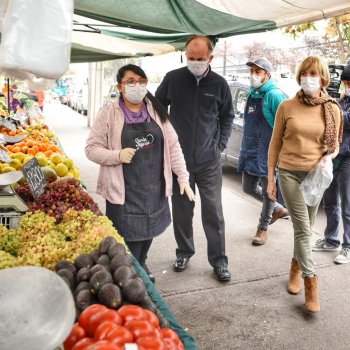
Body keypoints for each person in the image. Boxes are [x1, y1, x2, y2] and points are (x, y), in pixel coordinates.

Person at [86, 64, 195, 284]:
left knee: (148, 234)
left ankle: (142, 262)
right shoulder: (108, 113)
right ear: (120, 86)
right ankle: (131, 274)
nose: (137, 85)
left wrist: (183, 177)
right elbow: (91, 149)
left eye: (141, 81)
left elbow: (173, 147)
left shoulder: (157, 111)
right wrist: (116, 155)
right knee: (129, 241)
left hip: (154, 188)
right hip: (123, 191)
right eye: (130, 81)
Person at [155, 35, 235, 282]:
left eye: (200, 59)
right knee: (182, 210)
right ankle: (184, 252)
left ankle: (219, 261)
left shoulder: (219, 84)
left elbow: (227, 117)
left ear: (210, 57)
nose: (195, 62)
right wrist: (166, 142)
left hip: (209, 161)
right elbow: (157, 109)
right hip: (180, 161)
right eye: (191, 58)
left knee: (213, 212)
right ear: (185, 55)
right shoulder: (173, 79)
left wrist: (219, 146)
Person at [267, 55, 343, 313]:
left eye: (314, 74)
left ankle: (295, 267)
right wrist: (270, 179)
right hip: (289, 173)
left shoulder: (333, 108)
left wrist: (327, 158)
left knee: (307, 227)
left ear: (323, 77)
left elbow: (334, 147)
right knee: (303, 229)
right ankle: (311, 283)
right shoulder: (287, 107)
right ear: (300, 76)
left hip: (316, 177)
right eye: (305, 73)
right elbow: (275, 143)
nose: (309, 78)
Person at [238, 57, 289, 246]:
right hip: (251, 148)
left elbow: (287, 124)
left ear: (267, 75)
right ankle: (277, 209)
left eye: (258, 72)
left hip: (268, 150)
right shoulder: (252, 93)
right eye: (252, 71)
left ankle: (263, 227)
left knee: (269, 191)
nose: (253, 75)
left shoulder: (274, 95)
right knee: (247, 187)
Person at [311, 63, 350, 264]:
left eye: (349, 83)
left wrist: (329, 107)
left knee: (347, 206)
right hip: (333, 157)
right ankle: (331, 239)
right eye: (345, 82)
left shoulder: (338, 105)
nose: (346, 86)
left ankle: (348, 246)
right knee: (330, 202)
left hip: (348, 160)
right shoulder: (340, 101)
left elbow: (341, 119)